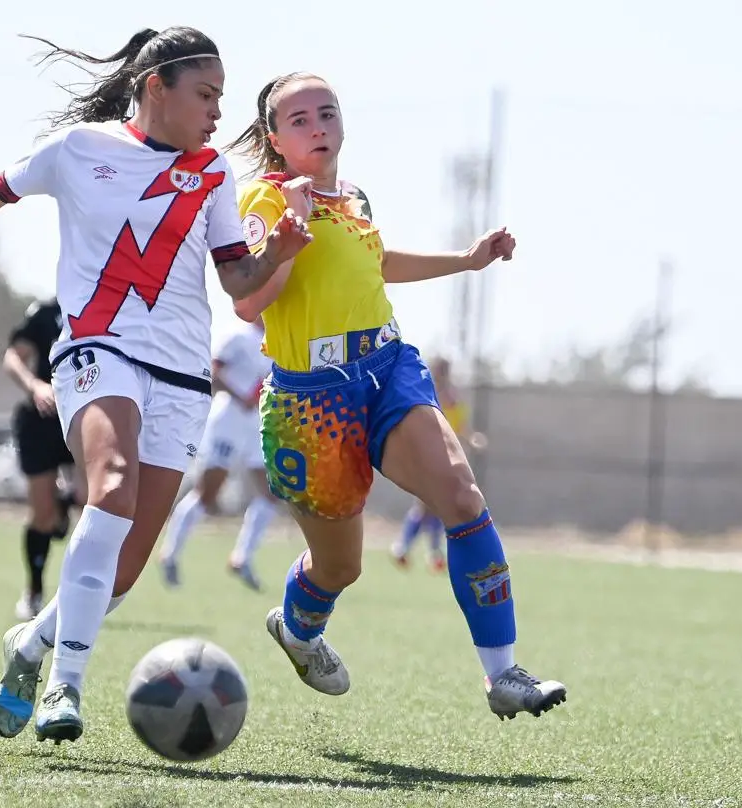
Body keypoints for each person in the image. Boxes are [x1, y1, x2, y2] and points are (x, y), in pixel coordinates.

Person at [0, 27, 311, 745]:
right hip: (97, 352)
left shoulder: (212, 175)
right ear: (155, 86)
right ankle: (65, 687)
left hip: (182, 377)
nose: (217, 114)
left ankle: (30, 646)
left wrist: (278, 252)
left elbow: (237, 280)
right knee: (111, 485)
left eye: (222, 98)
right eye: (206, 95)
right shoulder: (81, 150)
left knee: (125, 568)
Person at [225, 72, 567, 722]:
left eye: (327, 112)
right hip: (309, 403)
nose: (318, 125)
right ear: (274, 137)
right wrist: (288, 236)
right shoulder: (264, 200)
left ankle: (503, 675)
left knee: (461, 497)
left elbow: (377, 263)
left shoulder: (354, 196)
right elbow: (247, 303)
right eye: (298, 119)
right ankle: (298, 630)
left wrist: (464, 261)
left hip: (388, 368)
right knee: (339, 569)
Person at [158, 314, 278, 591]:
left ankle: (242, 558)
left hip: (258, 424)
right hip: (228, 421)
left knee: (272, 492)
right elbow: (213, 372)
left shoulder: (278, 341)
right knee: (208, 492)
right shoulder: (238, 335)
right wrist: (240, 397)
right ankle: (170, 553)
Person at [3, 296, 80, 620]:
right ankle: (34, 590)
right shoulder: (46, 312)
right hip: (43, 420)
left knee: (93, 498)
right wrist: (35, 386)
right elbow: (13, 357)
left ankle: (79, 595)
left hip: (87, 414)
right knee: (43, 515)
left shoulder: (112, 303)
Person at [390, 356, 467, 573]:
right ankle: (417, 550)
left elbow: (458, 425)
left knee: (433, 506)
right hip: (426, 454)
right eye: (441, 370)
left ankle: (412, 549)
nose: (443, 374)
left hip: (444, 456)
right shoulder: (426, 390)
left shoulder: (450, 397)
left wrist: (470, 439)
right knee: (429, 504)